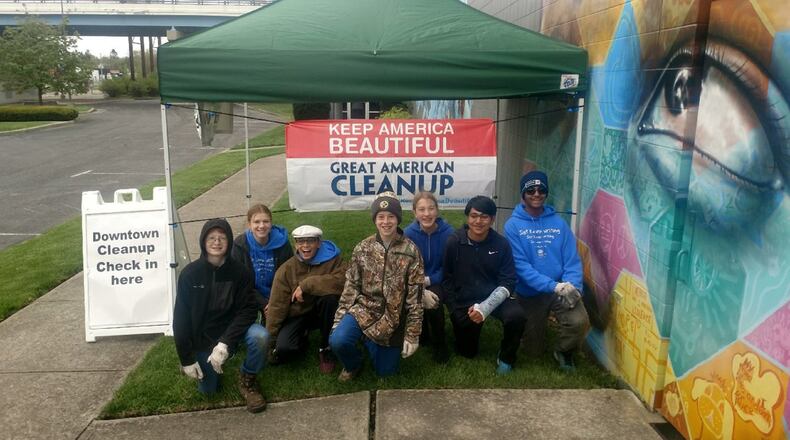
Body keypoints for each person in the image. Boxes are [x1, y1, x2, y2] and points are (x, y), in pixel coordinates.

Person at [173, 218, 269, 413]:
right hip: (204, 336)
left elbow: (248, 310)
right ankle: (203, 365)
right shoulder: (189, 274)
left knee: (261, 337)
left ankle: (248, 378)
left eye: (222, 238)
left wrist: (225, 342)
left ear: (230, 241)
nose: (217, 242)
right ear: (203, 241)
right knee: (209, 391)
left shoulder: (240, 272)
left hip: (233, 330)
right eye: (211, 238)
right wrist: (186, 359)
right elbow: (181, 320)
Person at [329, 192, 424, 380]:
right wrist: (339, 320)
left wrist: (412, 335)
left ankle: (369, 340)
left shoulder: (411, 251)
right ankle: (354, 364)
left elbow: (416, 298)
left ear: (398, 219)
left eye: (391, 216)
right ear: (375, 219)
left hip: (393, 316)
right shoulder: (363, 248)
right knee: (338, 341)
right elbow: (351, 286)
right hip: (364, 310)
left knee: (386, 373)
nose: (386, 222)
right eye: (381, 217)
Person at [504, 170, 590, 371]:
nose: (536, 194)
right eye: (531, 190)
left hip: (562, 287)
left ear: (546, 193)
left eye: (541, 190)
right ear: (523, 194)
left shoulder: (559, 224)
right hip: (530, 292)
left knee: (579, 322)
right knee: (532, 351)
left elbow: (572, 260)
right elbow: (521, 267)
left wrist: (573, 287)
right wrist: (554, 286)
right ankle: (534, 335)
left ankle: (563, 350)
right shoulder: (513, 226)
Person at [442, 195, 526, 374]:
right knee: (467, 352)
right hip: (465, 299)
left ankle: (506, 357)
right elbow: (447, 279)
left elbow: (509, 281)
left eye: (484, 216)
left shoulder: (501, 244)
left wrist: (485, 308)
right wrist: (453, 309)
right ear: (467, 217)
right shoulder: (454, 242)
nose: (478, 221)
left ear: (492, 219)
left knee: (517, 316)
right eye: (473, 216)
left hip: (495, 297)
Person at [266, 225, 345, 373]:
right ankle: (302, 338)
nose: (305, 246)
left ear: (319, 242)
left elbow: (343, 281)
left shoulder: (334, 260)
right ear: (295, 244)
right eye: (301, 242)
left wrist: (307, 284)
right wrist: (271, 341)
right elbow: (277, 306)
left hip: (324, 311)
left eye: (310, 241)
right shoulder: (286, 269)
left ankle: (326, 347)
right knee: (285, 350)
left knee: (330, 299)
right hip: (298, 314)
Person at [404, 191, 453, 363]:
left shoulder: (448, 233)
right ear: (414, 212)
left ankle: (440, 345)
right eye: (422, 209)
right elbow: (405, 266)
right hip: (413, 281)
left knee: (434, 303)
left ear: (437, 210)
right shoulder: (408, 235)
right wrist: (419, 283)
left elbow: (448, 267)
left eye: (431, 208)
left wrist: (429, 281)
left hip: (438, 280)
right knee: (418, 300)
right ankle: (420, 333)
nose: (427, 214)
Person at [232, 203, 294, 317]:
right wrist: (264, 303)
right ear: (249, 224)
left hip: (279, 295)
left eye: (266, 221)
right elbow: (239, 282)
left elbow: (289, 276)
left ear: (271, 223)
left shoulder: (282, 243)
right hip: (250, 297)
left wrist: (274, 302)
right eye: (256, 222)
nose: (262, 226)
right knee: (261, 334)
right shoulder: (239, 245)